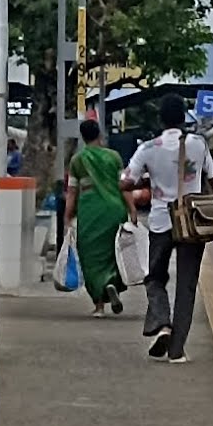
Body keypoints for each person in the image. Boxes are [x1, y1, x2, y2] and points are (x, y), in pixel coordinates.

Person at [121, 93, 213, 363]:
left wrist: (147, 180)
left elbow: (126, 181)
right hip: (192, 223)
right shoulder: (198, 144)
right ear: (183, 118)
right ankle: (177, 352)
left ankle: (162, 323)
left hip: (161, 222)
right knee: (186, 286)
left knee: (155, 277)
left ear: (161, 119)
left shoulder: (148, 149)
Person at [65, 119, 137, 317]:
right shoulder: (114, 157)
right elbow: (124, 186)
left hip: (90, 211)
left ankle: (99, 306)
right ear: (100, 134)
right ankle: (111, 283)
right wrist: (132, 209)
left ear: (82, 137)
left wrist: (67, 216)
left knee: (91, 257)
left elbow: (72, 191)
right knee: (113, 252)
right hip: (114, 210)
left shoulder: (77, 160)